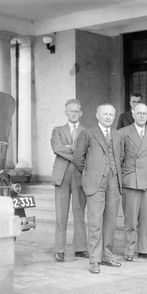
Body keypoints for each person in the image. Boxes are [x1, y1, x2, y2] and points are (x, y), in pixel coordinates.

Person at [72, 103, 123, 274]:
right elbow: (78, 159)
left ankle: (106, 256)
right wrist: (89, 173)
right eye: (105, 114)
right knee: (95, 222)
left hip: (114, 182)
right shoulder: (87, 133)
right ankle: (94, 260)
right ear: (97, 115)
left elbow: (120, 157)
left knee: (110, 221)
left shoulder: (117, 134)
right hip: (95, 183)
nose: (108, 117)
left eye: (111, 114)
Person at [118, 103, 147, 261]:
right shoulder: (123, 132)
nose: (142, 116)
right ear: (133, 115)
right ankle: (128, 251)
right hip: (131, 180)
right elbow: (120, 157)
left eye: (145, 114)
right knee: (131, 219)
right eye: (139, 113)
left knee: (146, 218)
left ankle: (144, 249)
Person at [51, 99, 88, 262]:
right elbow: (56, 148)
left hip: (80, 175)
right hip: (62, 175)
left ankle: (80, 248)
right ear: (66, 112)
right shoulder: (57, 130)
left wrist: (68, 147)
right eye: (70, 111)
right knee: (61, 214)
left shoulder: (87, 132)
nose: (73, 113)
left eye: (76, 111)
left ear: (81, 113)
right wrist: (76, 150)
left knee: (79, 212)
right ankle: (59, 249)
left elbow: (87, 151)